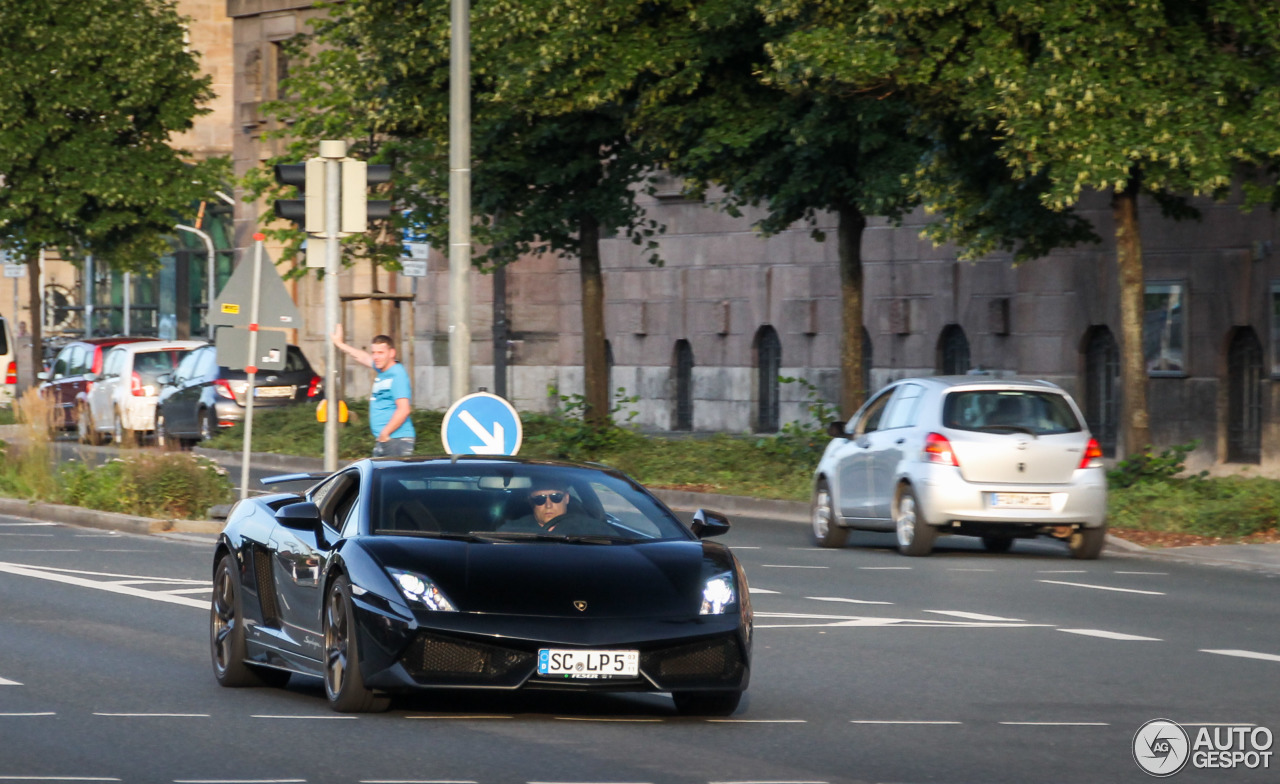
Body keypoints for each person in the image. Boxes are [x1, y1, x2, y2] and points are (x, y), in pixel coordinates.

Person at [331, 324, 415, 457]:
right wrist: (339, 344)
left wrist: (385, 433)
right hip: (387, 439)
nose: (376, 357)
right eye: (374, 352)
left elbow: (404, 409)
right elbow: (362, 356)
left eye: (380, 353)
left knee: (389, 477)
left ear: (392, 353)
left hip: (397, 439)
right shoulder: (382, 369)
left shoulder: (397, 374)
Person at [500, 483, 597, 535]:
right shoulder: (512, 531)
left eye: (556, 497)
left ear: (567, 498)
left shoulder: (590, 528)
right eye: (540, 499)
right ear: (531, 502)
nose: (548, 505)